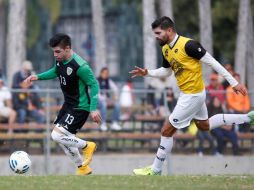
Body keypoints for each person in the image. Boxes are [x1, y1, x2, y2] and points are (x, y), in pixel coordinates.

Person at [129, 16, 254, 175]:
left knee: (166, 129)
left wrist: (233, 83)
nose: (156, 36)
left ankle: (155, 169)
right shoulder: (166, 48)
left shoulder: (189, 45)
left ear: (169, 30)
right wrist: (147, 73)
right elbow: (167, 71)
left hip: (192, 95)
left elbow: (213, 62)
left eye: (158, 33)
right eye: (155, 33)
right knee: (204, 126)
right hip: (189, 94)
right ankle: (248, 118)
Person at [24, 33, 101, 176]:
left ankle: (87, 146)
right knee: (65, 140)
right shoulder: (60, 60)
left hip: (80, 107)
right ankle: (82, 168)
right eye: (53, 51)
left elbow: (94, 85)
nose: (55, 54)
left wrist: (93, 109)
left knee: (56, 136)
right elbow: (56, 71)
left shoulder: (81, 66)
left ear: (68, 48)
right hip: (68, 105)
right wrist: (38, 77)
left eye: (58, 51)